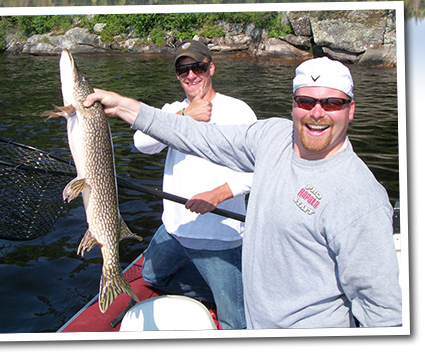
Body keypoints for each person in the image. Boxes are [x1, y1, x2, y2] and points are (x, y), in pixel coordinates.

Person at [84, 56, 402, 328]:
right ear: (294, 105)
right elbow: (196, 136)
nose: (316, 113)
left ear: (350, 109)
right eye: (306, 101)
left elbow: (384, 315)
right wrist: (123, 105)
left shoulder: (361, 199)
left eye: (331, 102)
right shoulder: (273, 136)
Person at [132, 40, 257, 330]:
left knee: (234, 322)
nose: (191, 75)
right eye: (183, 70)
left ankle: (235, 296)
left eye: (197, 67)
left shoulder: (238, 111)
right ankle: (216, 293)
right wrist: (185, 117)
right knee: (152, 278)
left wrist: (218, 195)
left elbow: (259, 169)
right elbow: (141, 143)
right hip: (174, 230)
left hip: (219, 237)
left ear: (210, 67)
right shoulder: (172, 111)